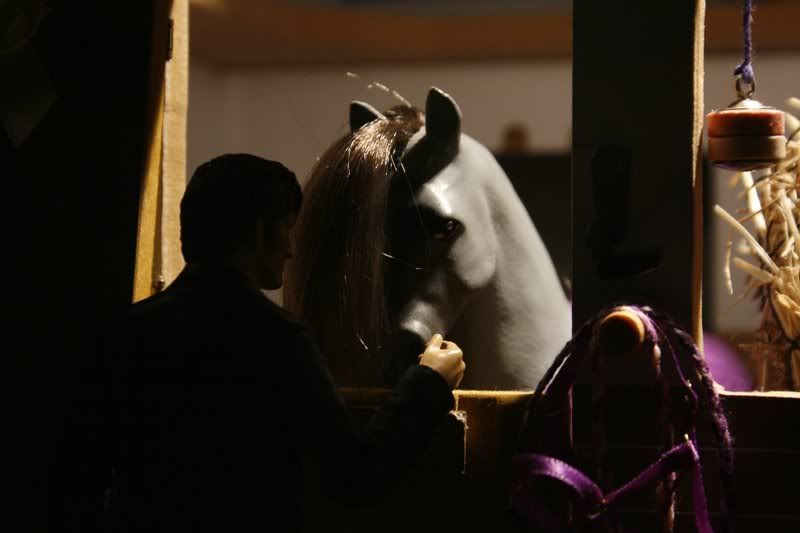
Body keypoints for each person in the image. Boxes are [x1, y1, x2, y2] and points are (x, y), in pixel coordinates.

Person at [54, 154, 465, 533]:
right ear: (260, 231)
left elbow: (80, 471)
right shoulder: (278, 341)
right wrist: (428, 382)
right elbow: (355, 475)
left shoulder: (126, 332)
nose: (291, 250)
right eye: (286, 230)